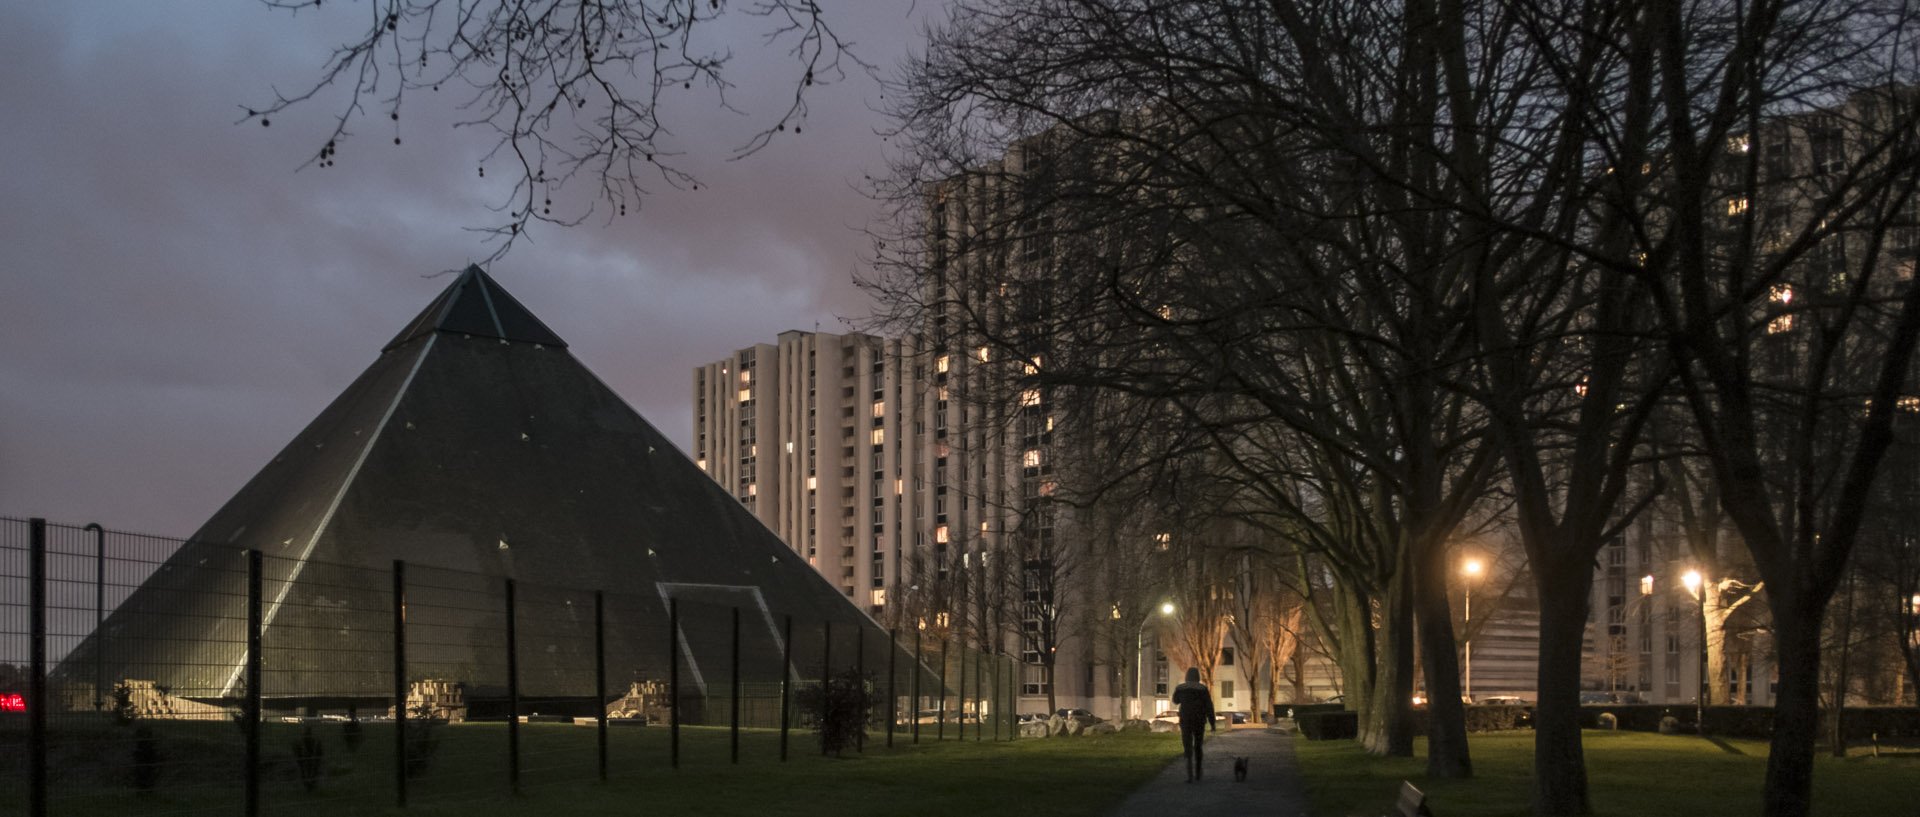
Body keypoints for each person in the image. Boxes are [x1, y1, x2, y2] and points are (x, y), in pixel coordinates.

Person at [1170, 666, 1215, 782]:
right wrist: (1212, 723)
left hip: (1186, 720)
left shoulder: (1181, 688)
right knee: (1198, 746)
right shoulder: (1203, 689)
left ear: (1187, 677)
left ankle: (1189, 774)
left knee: (1187, 746)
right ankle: (1198, 773)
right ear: (1198, 677)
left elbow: (1175, 700)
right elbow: (1209, 707)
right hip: (1199, 720)